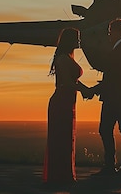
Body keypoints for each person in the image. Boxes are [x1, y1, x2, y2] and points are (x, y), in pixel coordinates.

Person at [43, 27, 93, 184]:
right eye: (76, 38)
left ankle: (63, 175)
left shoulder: (67, 58)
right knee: (61, 140)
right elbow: (67, 83)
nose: (78, 42)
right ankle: (60, 177)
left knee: (66, 139)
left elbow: (73, 82)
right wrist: (85, 90)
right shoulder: (63, 59)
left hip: (67, 102)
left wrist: (84, 89)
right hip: (61, 103)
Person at [91, 18, 121, 176]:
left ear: (117, 32)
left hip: (117, 97)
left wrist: (93, 90)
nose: (109, 36)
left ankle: (117, 166)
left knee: (110, 129)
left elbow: (113, 77)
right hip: (119, 96)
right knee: (119, 130)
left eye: (110, 32)